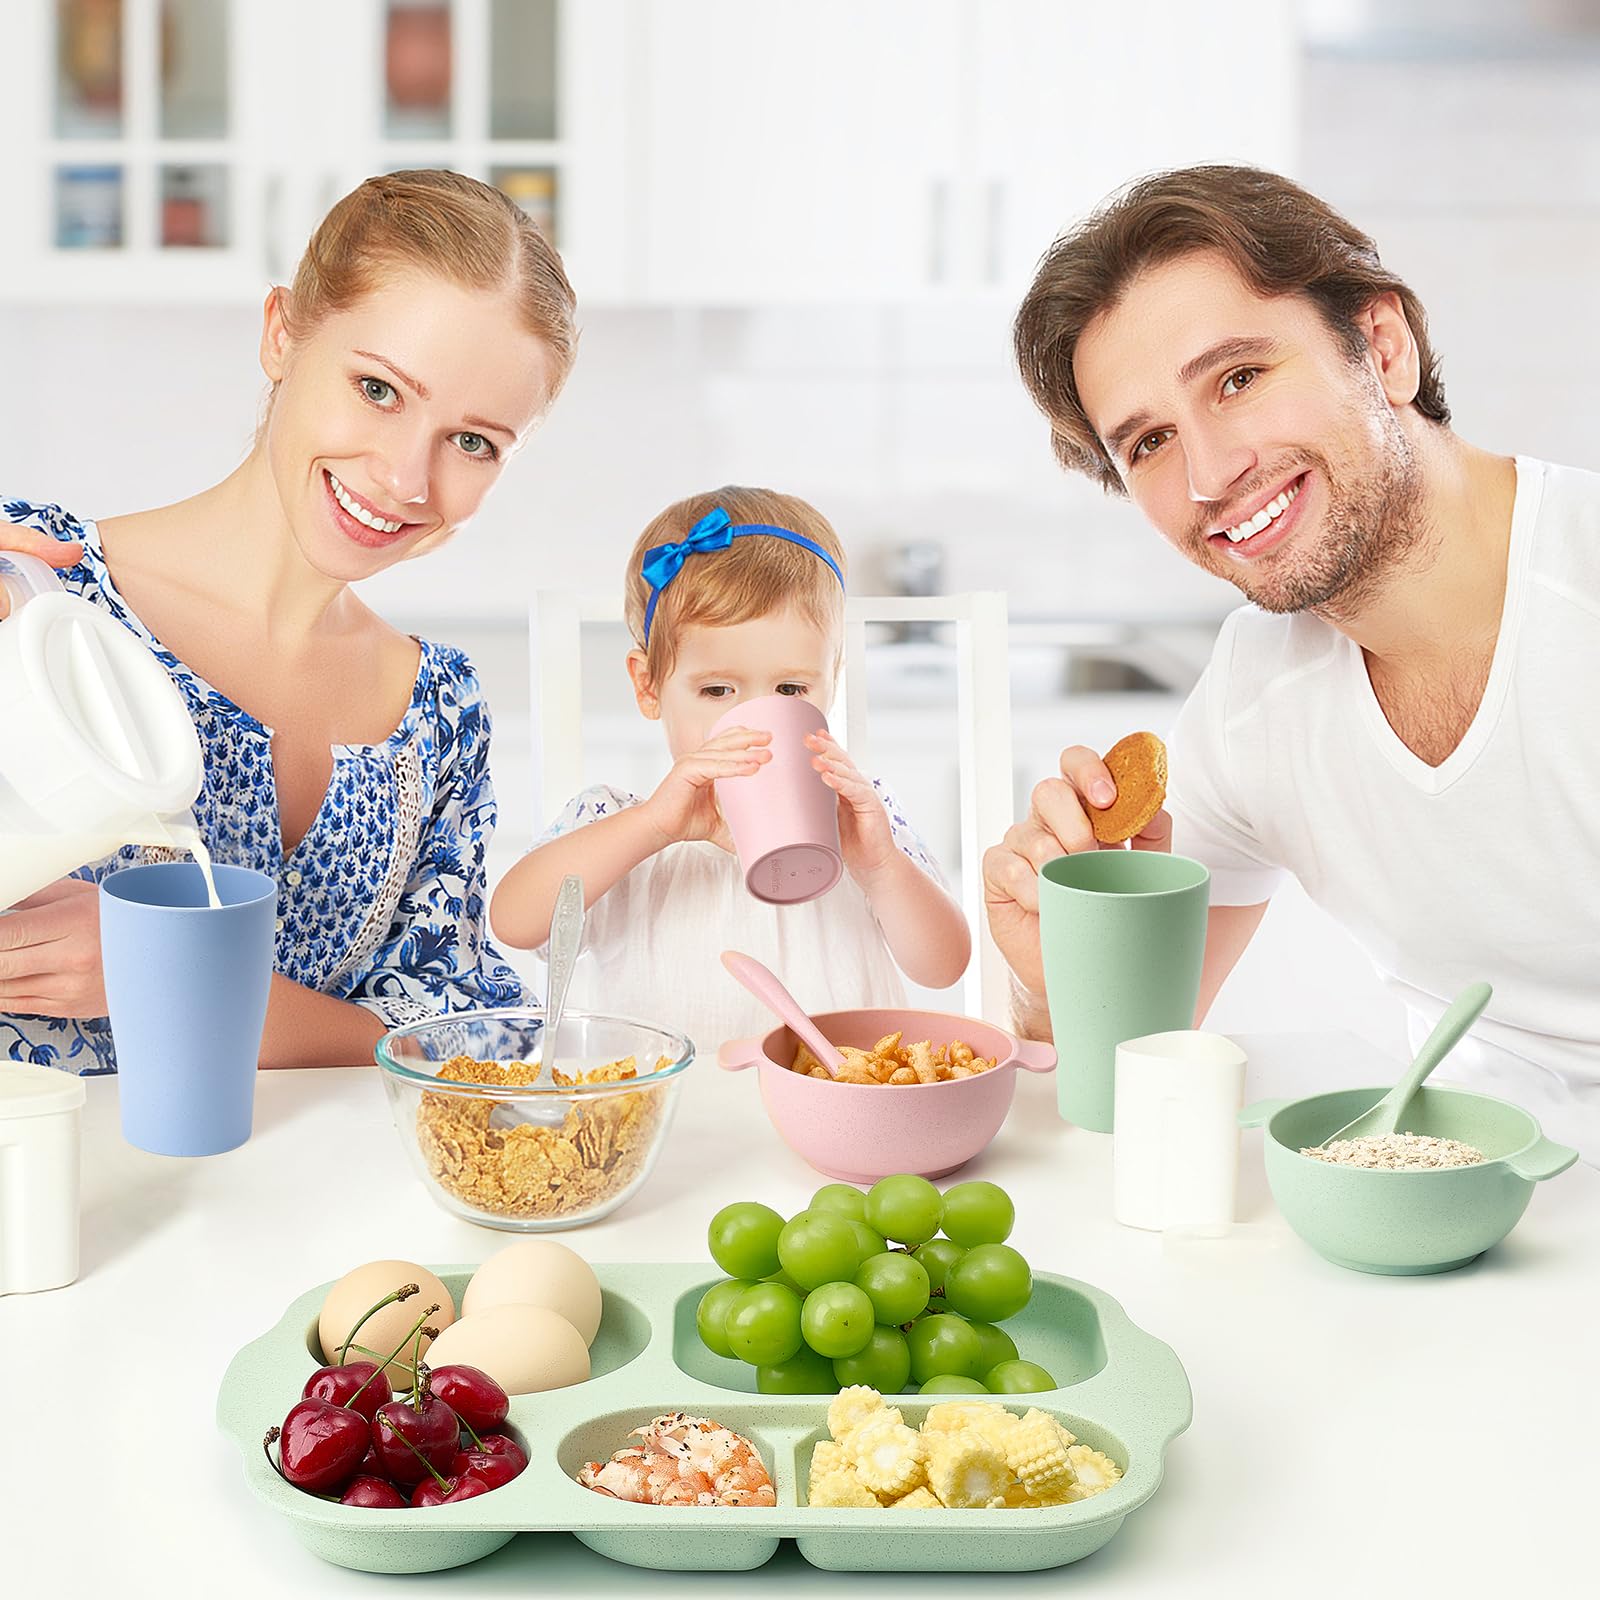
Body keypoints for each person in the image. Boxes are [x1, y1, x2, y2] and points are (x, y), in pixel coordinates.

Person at [984, 164, 1600, 1162]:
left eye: (1237, 378)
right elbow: (1136, 1069)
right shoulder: (1249, 703)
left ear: (1383, 348)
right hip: (1462, 1198)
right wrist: (1056, 981)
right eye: (1146, 442)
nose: (1211, 475)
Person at [0, 169, 577, 1072]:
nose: (405, 479)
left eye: (474, 442)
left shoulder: (436, 712)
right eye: (379, 389)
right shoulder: (33, 599)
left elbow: (457, 1053)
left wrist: (170, 969)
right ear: (281, 333)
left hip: (311, 1208)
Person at [490, 486, 971, 1046]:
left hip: (841, 1109)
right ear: (649, 687)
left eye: (790, 688)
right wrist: (651, 828)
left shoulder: (861, 818)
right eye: (717, 689)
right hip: (671, 1117)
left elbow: (944, 967)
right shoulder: (618, 820)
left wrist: (882, 868)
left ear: (830, 683)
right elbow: (514, 923)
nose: (753, 723)